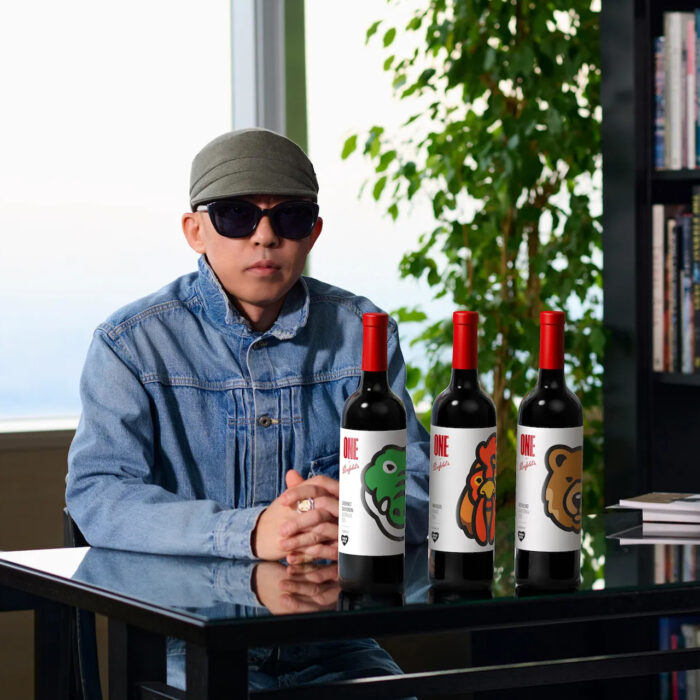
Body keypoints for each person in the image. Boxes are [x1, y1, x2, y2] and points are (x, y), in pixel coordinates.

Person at [65, 128, 428, 693]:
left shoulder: (362, 333)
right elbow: (98, 494)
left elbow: (422, 479)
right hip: (187, 647)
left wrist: (352, 520)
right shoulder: (130, 344)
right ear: (195, 230)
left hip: (339, 643)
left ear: (313, 232)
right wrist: (251, 532)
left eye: (290, 218)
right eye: (236, 215)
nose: (265, 236)